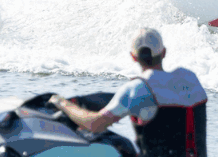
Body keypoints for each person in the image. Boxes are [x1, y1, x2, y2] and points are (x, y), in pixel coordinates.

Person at [51, 28, 207, 157]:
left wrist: (63, 103)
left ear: (133, 57)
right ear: (164, 52)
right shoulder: (190, 78)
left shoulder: (138, 88)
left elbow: (94, 124)